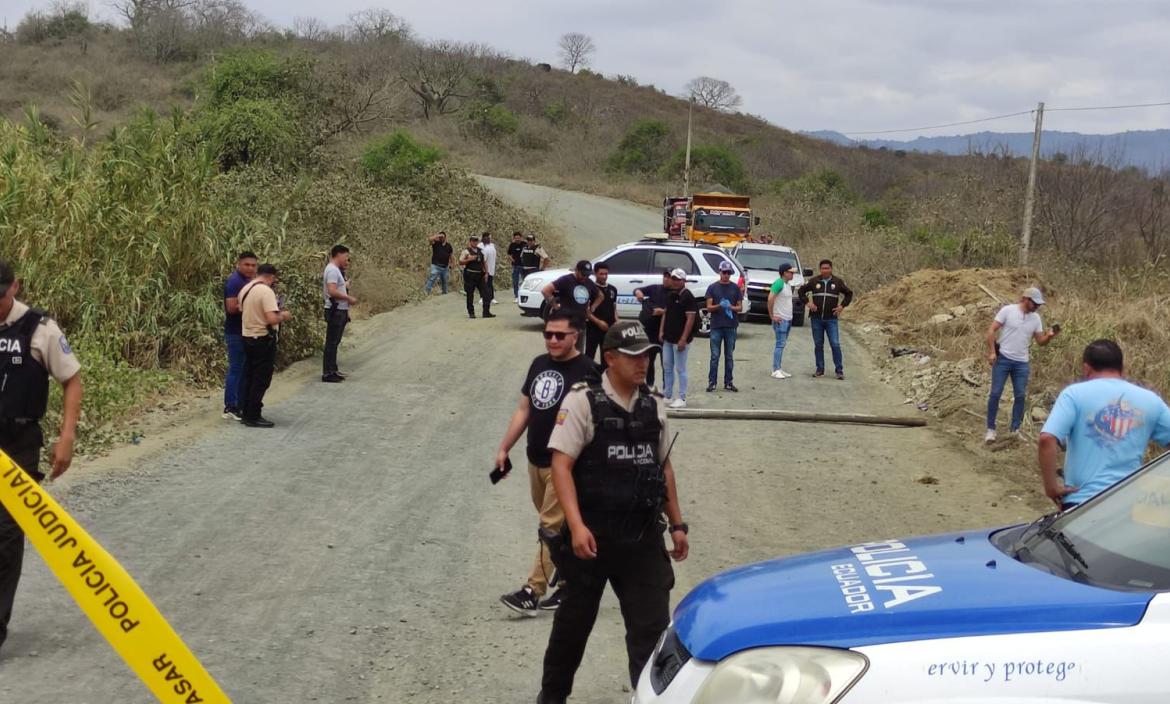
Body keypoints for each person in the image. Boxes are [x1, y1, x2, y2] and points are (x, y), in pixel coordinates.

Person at [538, 320, 689, 703]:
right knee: (573, 626)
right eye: (634, 356)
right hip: (591, 538)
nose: (643, 364)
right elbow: (561, 466)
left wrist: (677, 523)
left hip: (640, 538)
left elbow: (663, 467)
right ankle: (552, 698)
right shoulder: (582, 401)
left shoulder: (653, 405)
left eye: (647, 356)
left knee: (652, 632)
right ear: (609, 359)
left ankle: (648, 698)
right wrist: (575, 525)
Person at [0, 259, 82, 655]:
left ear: (14, 287)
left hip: (17, 442)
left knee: (6, 536)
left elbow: (71, 379)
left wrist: (66, 436)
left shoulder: (39, 329)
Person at [496, 310, 600, 616]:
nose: (552, 340)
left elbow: (598, 421)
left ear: (576, 336)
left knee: (550, 527)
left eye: (559, 335)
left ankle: (532, 591)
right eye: (548, 334)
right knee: (560, 526)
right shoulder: (538, 364)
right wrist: (504, 448)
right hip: (535, 460)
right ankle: (571, 581)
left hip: (566, 464)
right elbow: (524, 410)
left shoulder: (589, 371)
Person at [1039, 340, 1170, 509]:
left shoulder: (1074, 395)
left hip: (1081, 503)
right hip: (1128, 504)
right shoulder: (1151, 400)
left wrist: (1051, 488)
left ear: (1086, 368)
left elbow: (1047, 439)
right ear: (1122, 368)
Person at [985, 287, 1058, 442]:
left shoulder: (1036, 318)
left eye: (1039, 304)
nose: (1037, 306)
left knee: (1020, 395)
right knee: (995, 393)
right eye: (1035, 303)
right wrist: (992, 352)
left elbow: (1040, 341)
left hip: (1021, 362)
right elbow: (991, 330)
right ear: (1026, 299)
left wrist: (1049, 336)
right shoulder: (1008, 311)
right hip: (1003, 358)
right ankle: (990, 429)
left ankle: (1015, 429)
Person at [239, 264, 289, 428]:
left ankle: (245, 411)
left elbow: (242, 309)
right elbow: (272, 319)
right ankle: (253, 415)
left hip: (247, 336)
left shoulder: (246, 289)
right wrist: (283, 315)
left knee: (249, 376)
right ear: (271, 277)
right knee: (261, 379)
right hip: (262, 338)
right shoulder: (266, 291)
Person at [798, 259, 854, 380]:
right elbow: (801, 291)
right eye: (823, 268)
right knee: (818, 345)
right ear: (820, 269)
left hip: (831, 319)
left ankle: (839, 371)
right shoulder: (814, 281)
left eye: (827, 268)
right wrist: (808, 303)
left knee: (835, 344)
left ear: (831, 269)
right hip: (816, 319)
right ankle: (820, 369)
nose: (825, 270)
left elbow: (849, 294)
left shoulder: (838, 282)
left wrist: (842, 306)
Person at [222, 251, 257, 421]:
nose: (250, 268)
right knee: (236, 368)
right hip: (235, 332)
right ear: (239, 264)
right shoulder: (235, 282)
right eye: (247, 265)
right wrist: (252, 305)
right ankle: (230, 405)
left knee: (244, 368)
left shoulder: (249, 281)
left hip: (246, 331)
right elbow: (231, 308)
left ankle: (241, 403)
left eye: (253, 265)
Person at [542, 261, 602, 353]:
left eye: (587, 275)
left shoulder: (588, 282)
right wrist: (555, 306)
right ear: (576, 270)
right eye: (583, 274)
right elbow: (546, 290)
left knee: (577, 354)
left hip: (580, 325)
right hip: (566, 324)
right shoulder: (566, 280)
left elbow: (600, 296)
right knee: (563, 352)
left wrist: (592, 308)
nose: (585, 277)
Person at [659, 269, 697, 409]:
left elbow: (690, 319)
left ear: (683, 281)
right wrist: (662, 330)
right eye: (673, 279)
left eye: (677, 279)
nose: (674, 281)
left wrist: (683, 339)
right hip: (669, 337)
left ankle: (682, 397)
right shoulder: (671, 295)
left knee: (680, 368)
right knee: (667, 366)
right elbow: (665, 313)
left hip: (680, 339)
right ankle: (667, 395)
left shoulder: (688, 297)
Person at [704, 260, 743, 393]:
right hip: (716, 326)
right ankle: (712, 382)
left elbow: (740, 307)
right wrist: (719, 306)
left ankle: (728, 382)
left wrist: (730, 307)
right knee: (715, 356)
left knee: (729, 356)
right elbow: (708, 307)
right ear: (719, 272)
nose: (726, 275)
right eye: (724, 272)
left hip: (731, 326)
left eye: (728, 273)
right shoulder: (712, 288)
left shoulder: (735, 288)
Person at [322, 244, 357, 383]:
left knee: (335, 342)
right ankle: (327, 373)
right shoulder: (332, 270)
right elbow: (332, 290)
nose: (347, 260)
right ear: (339, 254)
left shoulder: (336, 270)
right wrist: (348, 298)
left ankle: (333, 369)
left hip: (340, 310)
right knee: (331, 342)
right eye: (346, 256)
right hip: (335, 310)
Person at [634, 270, 671, 388]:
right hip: (650, 332)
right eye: (665, 276)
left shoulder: (675, 293)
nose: (666, 279)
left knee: (666, 363)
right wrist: (638, 292)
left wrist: (663, 312)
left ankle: (667, 389)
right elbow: (638, 289)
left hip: (666, 332)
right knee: (649, 361)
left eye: (669, 277)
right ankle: (649, 386)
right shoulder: (655, 288)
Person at [584, 262, 618, 369]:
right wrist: (598, 322)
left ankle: (604, 382)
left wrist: (617, 321)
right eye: (601, 274)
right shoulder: (590, 289)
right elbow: (586, 311)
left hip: (608, 329)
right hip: (594, 328)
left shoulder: (613, 289)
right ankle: (587, 380)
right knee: (589, 356)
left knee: (607, 358)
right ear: (595, 274)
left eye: (606, 274)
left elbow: (613, 307)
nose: (604, 276)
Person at [767, 263, 795, 379]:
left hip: (787, 319)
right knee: (780, 344)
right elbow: (770, 298)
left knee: (782, 344)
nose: (792, 274)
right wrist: (772, 315)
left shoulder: (787, 285)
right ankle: (776, 369)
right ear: (784, 272)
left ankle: (779, 367)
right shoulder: (779, 283)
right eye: (790, 272)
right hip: (781, 319)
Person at [459, 235, 494, 320]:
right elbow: (461, 261)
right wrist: (469, 259)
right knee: (470, 295)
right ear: (470, 241)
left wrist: (486, 273)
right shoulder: (466, 251)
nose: (475, 242)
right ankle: (471, 313)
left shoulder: (481, 251)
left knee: (487, 293)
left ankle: (486, 312)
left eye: (476, 241)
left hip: (480, 275)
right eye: (473, 241)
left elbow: (484, 263)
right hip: (470, 275)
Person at [480, 232, 499, 307]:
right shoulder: (480, 246)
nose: (489, 239)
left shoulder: (492, 246)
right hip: (484, 269)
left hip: (491, 268)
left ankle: (492, 298)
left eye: (490, 238)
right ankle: (482, 297)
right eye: (488, 237)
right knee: (484, 284)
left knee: (490, 284)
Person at [507, 231, 526, 301]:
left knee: (525, 281)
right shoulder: (512, 245)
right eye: (516, 238)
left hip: (524, 266)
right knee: (515, 281)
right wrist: (512, 259)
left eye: (518, 238)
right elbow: (509, 254)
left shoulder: (525, 244)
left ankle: (524, 295)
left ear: (521, 238)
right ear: (514, 238)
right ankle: (516, 296)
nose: (517, 239)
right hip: (515, 266)